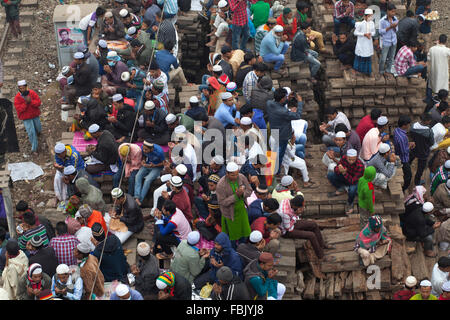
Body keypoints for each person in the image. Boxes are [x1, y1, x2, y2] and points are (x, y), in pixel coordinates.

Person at [267, 88, 304, 175]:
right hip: (282, 135)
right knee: (280, 154)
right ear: (282, 99)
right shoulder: (283, 111)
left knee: (276, 152)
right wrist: (300, 102)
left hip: (274, 132)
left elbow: (279, 103)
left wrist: (287, 99)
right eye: (285, 97)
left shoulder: (269, 104)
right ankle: (277, 172)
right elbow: (298, 116)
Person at [216, 162, 252, 246]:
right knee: (232, 236)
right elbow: (222, 202)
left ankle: (242, 248)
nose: (235, 177)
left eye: (236, 174)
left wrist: (243, 194)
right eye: (232, 175)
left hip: (242, 211)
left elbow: (249, 190)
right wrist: (236, 196)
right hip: (229, 214)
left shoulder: (241, 177)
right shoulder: (221, 185)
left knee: (244, 233)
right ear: (227, 174)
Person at [327, 149, 364, 214]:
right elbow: (336, 168)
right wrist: (339, 170)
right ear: (347, 157)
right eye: (349, 159)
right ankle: (342, 188)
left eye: (353, 159)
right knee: (330, 175)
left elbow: (353, 181)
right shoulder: (344, 158)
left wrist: (344, 173)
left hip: (354, 181)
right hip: (345, 176)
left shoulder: (360, 166)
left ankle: (350, 202)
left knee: (352, 190)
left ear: (356, 158)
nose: (351, 161)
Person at [13, 80, 42, 154]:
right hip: (26, 118)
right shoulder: (17, 98)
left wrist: (31, 101)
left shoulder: (32, 93)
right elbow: (19, 109)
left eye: (23, 88)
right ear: (18, 88)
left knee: (38, 127)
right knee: (31, 132)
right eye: (20, 88)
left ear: (26, 87)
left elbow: (38, 102)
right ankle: (34, 148)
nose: (22, 89)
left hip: (34, 115)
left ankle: (38, 133)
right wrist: (26, 103)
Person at [134, 141, 165, 206]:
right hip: (148, 165)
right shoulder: (143, 147)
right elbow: (144, 156)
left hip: (157, 167)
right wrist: (143, 161)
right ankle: (136, 197)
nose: (144, 150)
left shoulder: (159, 151)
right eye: (144, 149)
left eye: (146, 149)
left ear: (151, 149)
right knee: (137, 176)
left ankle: (140, 201)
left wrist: (155, 165)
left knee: (147, 180)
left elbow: (164, 163)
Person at [410, 113, 434, 186]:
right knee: (420, 169)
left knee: (409, 160)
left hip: (414, 148)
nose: (430, 122)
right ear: (426, 121)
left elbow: (411, 135)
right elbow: (431, 142)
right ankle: (417, 182)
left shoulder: (413, 126)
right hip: (423, 151)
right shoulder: (429, 131)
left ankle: (406, 173)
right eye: (429, 120)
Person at [393, 115, 414, 192]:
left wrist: (407, 143)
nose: (409, 125)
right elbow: (404, 151)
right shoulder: (402, 137)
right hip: (403, 159)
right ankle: (403, 188)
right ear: (404, 125)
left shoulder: (396, 130)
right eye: (409, 124)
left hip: (399, 153)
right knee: (408, 175)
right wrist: (410, 146)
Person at [353, 9, 375, 76]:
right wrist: (364, 34)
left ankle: (367, 71)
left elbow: (374, 32)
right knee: (361, 56)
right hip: (362, 43)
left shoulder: (372, 23)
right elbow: (355, 33)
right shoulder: (360, 24)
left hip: (368, 43)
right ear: (365, 16)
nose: (370, 17)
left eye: (371, 16)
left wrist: (370, 34)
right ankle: (359, 71)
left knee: (367, 56)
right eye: (369, 16)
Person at [378, 4, 399, 75]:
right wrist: (390, 27)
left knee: (391, 57)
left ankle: (388, 70)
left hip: (394, 41)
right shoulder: (382, 21)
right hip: (386, 42)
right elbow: (380, 32)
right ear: (388, 11)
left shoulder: (395, 19)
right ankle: (381, 71)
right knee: (383, 58)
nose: (393, 13)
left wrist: (394, 27)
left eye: (394, 12)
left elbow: (397, 30)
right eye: (392, 12)